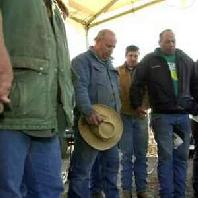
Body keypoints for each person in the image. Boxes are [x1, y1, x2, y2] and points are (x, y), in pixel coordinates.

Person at [0, 1, 74, 197]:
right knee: (9, 191)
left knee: (50, 189)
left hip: (47, 117)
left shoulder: (56, 6)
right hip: (10, 110)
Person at [130, 29, 196, 198]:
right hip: (162, 116)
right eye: (167, 41)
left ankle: (179, 194)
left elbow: (195, 84)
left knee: (182, 158)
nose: (171, 44)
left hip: (183, 116)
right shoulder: (150, 60)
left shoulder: (185, 59)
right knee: (166, 157)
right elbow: (137, 83)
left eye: (173, 41)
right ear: (159, 42)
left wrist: (195, 107)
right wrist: (137, 104)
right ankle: (166, 194)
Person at [67, 29, 121, 198]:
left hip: (109, 128)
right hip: (90, 126)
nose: (110, 50)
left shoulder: (109, 64)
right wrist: (88, 111)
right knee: (82, 171)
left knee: (111, 168)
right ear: (97, 41)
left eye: (113, 47)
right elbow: (79, 88)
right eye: (107, 46)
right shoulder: (81, 61)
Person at [118, 45, 149, 198]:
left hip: (141, 117)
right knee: (126, 155)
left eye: (136, 56)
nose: (133, 58)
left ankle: (142, 189)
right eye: (130, 55)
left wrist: (143, 107)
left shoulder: (144, 71)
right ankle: (126, 190)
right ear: (125, 56)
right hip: (124, 117)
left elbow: (150, 91)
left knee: (141, 154)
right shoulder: (117, 72)